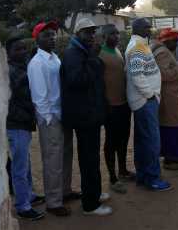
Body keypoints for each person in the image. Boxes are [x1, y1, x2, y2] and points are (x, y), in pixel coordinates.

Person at [61, 18, 112, 216]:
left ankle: (94, 194)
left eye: (93, 32)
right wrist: (93, 59)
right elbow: (77, 80)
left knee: (91, 157)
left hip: (90, 114)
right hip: (84, 117)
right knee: (89, 159)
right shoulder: (74, 53)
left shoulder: (83, 51)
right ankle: (90, 205)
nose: (91, 36)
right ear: (77, 34)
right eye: (87, 32)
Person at [27, 22, 73, 217]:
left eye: (53, 34)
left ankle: (65, 191)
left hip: (63, 114)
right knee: (53, 160)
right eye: (46, 35)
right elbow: (39, 97)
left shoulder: (55, 58)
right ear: (37, 39)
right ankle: (53, 202)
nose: (52, 38)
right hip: (51, 118)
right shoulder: (37, 63)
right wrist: (48, 119)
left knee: (65, 155)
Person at [126, 18, 172, 191]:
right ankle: (152, 178)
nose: (150, 29)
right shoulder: (137, 47)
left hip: (145, 101)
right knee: (152, 141)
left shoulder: (140, 44)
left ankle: (143, 175)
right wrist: (150, 95)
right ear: (137, 29)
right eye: (146, 27)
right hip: (145, 102)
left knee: (143, 141)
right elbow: (138, 76)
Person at [6, 37, 45, 220]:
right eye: (17, 49)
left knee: (25, 162)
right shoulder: (10, 71)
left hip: (23, 123)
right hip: (15, 123)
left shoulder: (23, 67)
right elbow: (22, 95)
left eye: (24, 49)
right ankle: (22, 206)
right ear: (8, 53)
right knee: (19, 166)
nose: (22, 52)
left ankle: (28, 195)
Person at [98, 24, 135, 194]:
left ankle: (123, 171)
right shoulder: (101, 54)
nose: (116, 36)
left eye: (117, 33)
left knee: (123, 139)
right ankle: (113, 178)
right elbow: (98, 83)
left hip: (123, 104)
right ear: (104, 37)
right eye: (112, 34)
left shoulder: (118, 51)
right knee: (111, 142)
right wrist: (104, 104)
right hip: (110, 106)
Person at [151, 28, 178, 170]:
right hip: (168, 94)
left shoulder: (161, 51)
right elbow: (163, 74)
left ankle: (171, 157)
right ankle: (175, 158)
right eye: (176, 41)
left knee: (170, 124)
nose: (177, 44)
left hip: (168, 94)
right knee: (174, 125)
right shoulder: (162, 53)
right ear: (168, 41)